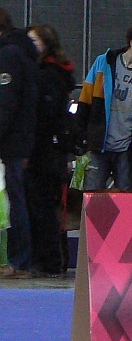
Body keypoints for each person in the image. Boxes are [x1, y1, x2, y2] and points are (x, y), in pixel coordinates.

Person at [76, 22, 132, 192]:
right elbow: (85, 101)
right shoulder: (103, 63)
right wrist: (80, 137)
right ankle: (90, 220)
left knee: (127, 197)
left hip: (128, 149)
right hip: (98, 144)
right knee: (91, 195)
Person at [25, 24, 75, 276]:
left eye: (35, 41)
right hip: (50, 150)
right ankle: (50, 260)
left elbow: (46, 114)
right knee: (45, 206)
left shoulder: (48, 74)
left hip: (44, 151)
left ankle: (49, 261)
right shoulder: (55, 72)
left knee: (41, 206)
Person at [0, 7, 39, 279]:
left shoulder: (9, 55)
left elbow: (6, 102)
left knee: (16, 202)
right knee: (18, 200)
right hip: (21, 140)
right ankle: (20, 260)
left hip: (12, 142)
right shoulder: (23, 53)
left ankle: (19, 261)